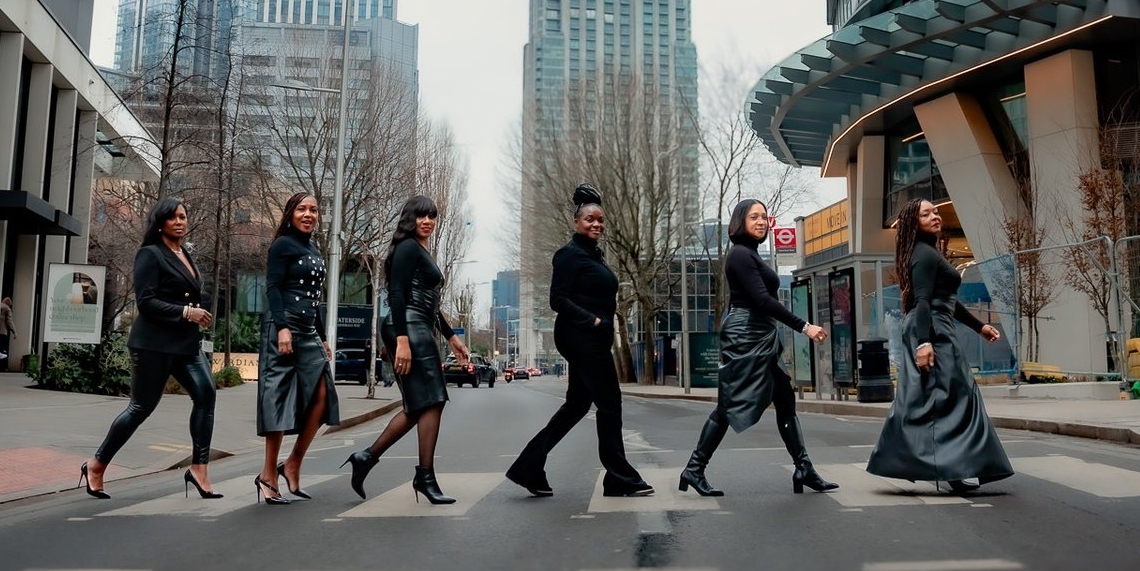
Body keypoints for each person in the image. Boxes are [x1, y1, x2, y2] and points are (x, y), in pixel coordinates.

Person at [679, 198, 838, 497]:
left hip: (757, 331)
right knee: (729, 403)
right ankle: (695, 468)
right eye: (754, 217)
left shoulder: (751, 255)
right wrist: (805, 327)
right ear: (740, 221)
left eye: (764, 217)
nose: (761, 221)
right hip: (746, 334)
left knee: (783, 395)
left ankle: (803, 467)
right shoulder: (740, 255)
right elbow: (762, 300)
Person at [505, 186, 654, 499]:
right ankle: (618, 477)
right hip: (580, 337)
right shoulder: (569, 255)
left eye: (600, 219)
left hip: (591, 339)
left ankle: (528, 466)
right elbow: (557, 299)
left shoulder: (592, 255)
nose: (596, 224)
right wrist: (592, 320)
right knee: (610, 404)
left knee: (577, 406)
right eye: (589, 219)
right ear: (576, 222)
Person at [867, 199, 1014, 495]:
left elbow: (945, 299)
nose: (935, 216)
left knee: (940, 398)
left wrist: (979, 326)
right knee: (955, 395)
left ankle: (950, 467)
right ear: (914, 222)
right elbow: (922, 300)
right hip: (932, 330)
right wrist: (924, 343)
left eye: (935, 212)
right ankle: (950, 467)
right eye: (926, 214)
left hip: (937, 326)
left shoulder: (928, 252)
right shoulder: (923, 255)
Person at [80, 198, 220, 500]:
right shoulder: (149, 254)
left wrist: (199, 313)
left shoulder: (185, 254)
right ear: (160, 224)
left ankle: (199, 468)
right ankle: (97, 464)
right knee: (141, 407)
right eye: (173, 218)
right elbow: (146, 301)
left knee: (206, 394)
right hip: (153, 345)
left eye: (184, 216)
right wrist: (187, 312)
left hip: (185, 345)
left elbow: (190, 294)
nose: (180, 221)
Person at [342, 195, 474, 504]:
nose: (427, 221)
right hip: (408, 327)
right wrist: (401, 339)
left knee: (421, 404)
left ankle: (367, 458)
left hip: (419, 325)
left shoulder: (421, 249)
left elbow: (431, 303)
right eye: (421, 216)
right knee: (433, 400)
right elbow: (398, 294)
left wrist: (452, 337)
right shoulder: (406, 248)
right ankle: (423, 476)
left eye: (431, 216)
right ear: (409, 219)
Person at [257, 192, 342, 505]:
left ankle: (293, 463)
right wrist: (281, 327)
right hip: (284, 327)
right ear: (291, 213)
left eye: (314, 210)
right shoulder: (282, 245)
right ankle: (268, 473)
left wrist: (321, 335)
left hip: (308, 330)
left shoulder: (314, 247)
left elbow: (314, 298)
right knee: (278, 399)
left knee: (323, 396)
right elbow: (273, 289)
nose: (309, 214)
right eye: (302, 209)